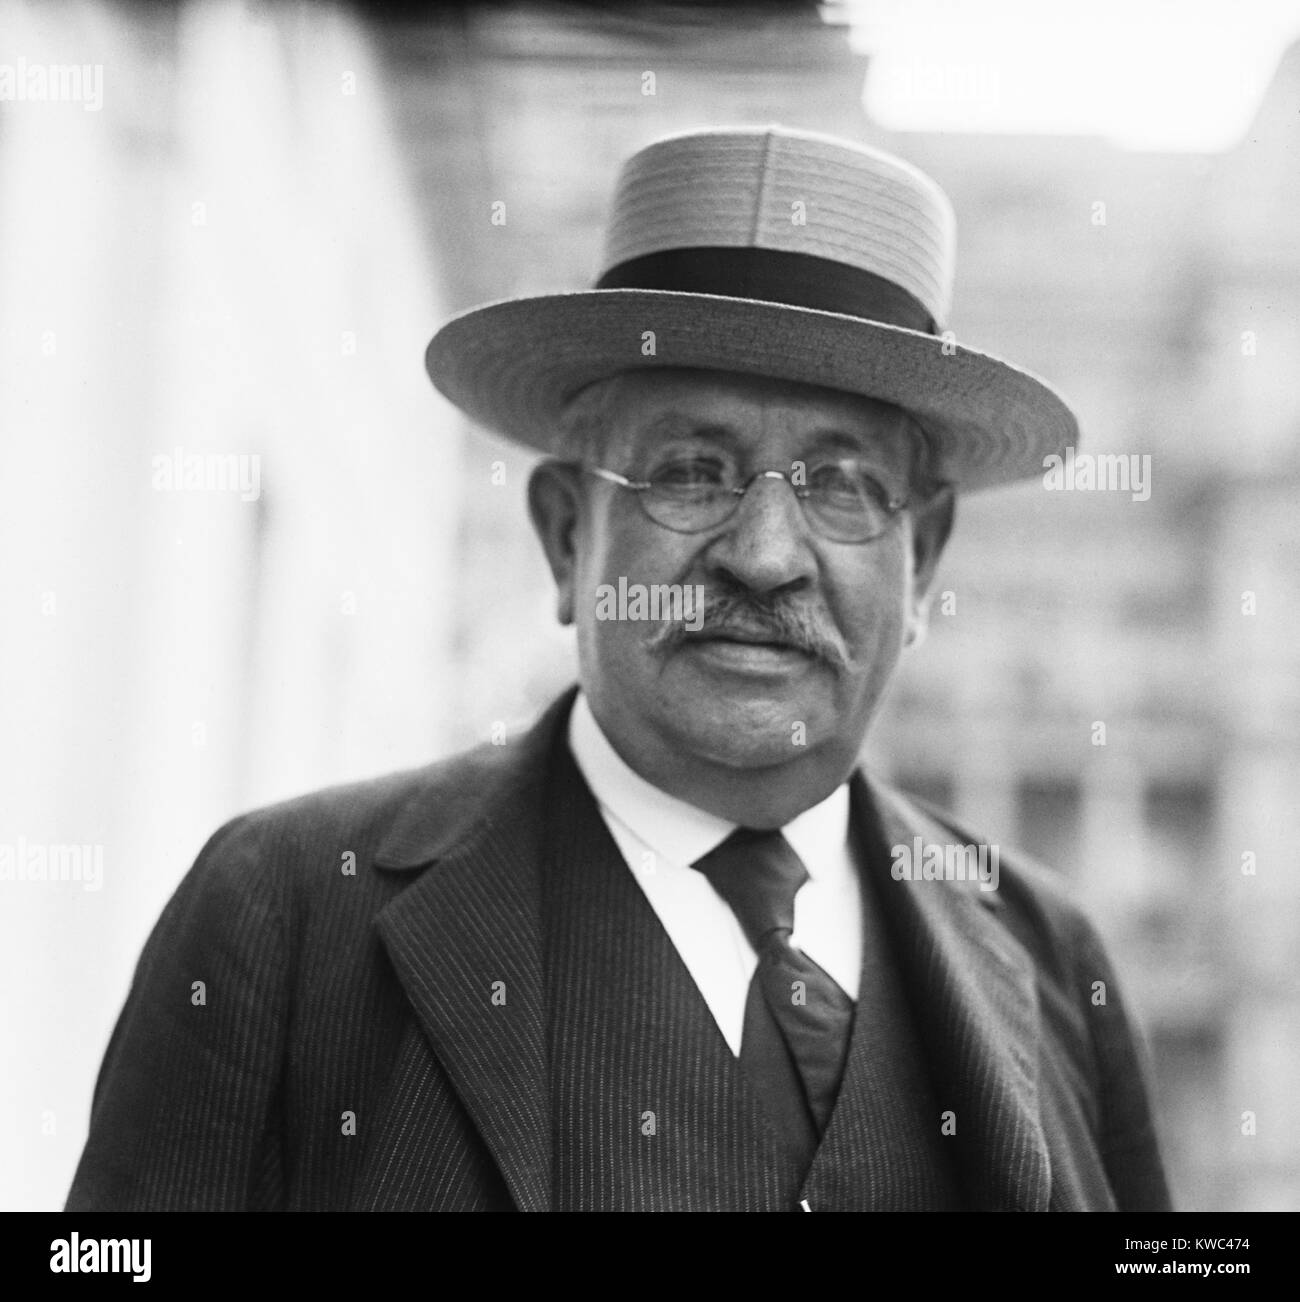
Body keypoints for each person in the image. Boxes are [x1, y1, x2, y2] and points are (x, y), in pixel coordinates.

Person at [66, 125, 1171, 1212]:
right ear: (565, 535)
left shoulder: (1049, 957)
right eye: (691, 471)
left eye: (841, 485)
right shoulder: (287, 912)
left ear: (921, 562)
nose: (765, 556)